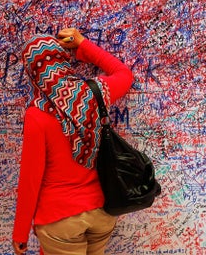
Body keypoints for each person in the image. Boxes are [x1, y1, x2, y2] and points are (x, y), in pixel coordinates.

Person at [12, 28, 134, 255]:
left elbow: (30, 178)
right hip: (102, 212)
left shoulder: (37, 115)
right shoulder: (95, 94)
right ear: (63, 60)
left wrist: (20, 233)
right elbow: (124, 74)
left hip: (60, 221)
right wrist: (83, 44)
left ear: (33, 72)